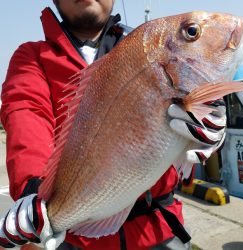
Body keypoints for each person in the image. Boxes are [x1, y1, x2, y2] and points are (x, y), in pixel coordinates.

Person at [0, 1, 226, 249]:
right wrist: (33, 188)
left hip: (158, 231)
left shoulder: (145, 45)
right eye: (191, 32)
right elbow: (26, 112)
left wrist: (205, 131)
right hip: (74, 240)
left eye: (191, 32)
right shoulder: (31, 57)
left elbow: (179, 148)